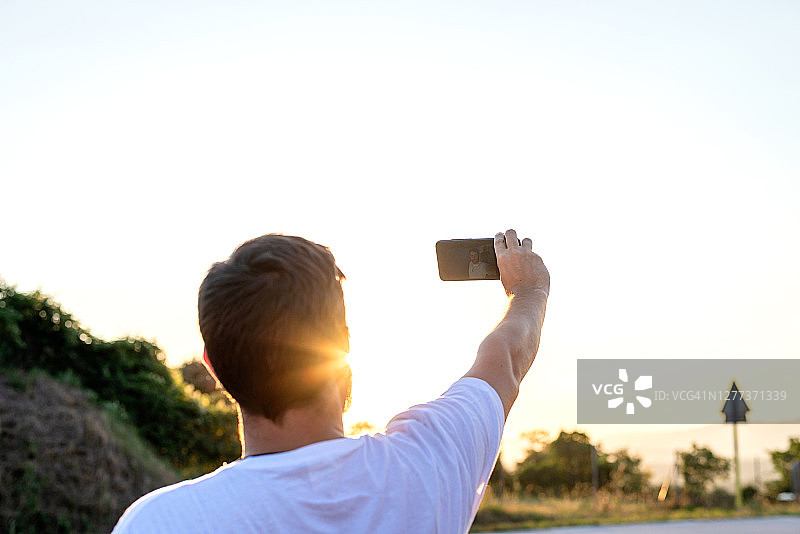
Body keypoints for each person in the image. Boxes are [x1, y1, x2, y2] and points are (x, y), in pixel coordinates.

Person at [112, 229, 549, 534]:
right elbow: (506, 358)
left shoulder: (158, 523)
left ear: (213, 367)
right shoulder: (426, 465)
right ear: (342, 342)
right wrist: (530, 290)